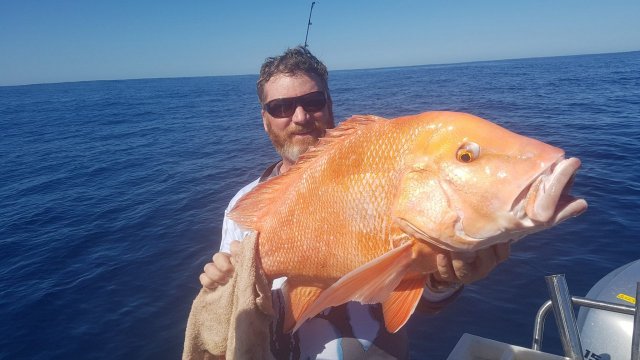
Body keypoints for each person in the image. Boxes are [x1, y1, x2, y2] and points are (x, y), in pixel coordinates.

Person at [199, 46, 510, 359]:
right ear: (265, 119)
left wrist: (445, 279)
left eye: (313, 101)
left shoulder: (380, 178)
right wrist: (224, 285)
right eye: (281, 107)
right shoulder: (245, 205)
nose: (300, 117)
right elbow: (236, 298)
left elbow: (418, 287)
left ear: (330, 105)